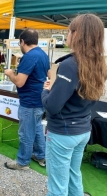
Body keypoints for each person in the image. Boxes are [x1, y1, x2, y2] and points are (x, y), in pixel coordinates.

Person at [42, 14, 107, 196]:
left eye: (69, 31)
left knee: (57, 188)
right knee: (73, 175)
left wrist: (46, 91)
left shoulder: (71, 64)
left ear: (77, 34)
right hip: (83, 130)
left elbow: (52, 106)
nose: (67, 35)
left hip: (63, 133)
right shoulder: (99, 63)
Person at [4, 28, 49, 170]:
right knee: (36, 129)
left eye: (20, 43)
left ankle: (23, 162)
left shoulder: (29, 57)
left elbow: (19, 82)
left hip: (30, 101)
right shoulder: (43, 54)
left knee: (25, 133)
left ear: (22, 42)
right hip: (39, 99)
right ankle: (41, 155)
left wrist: (10, 73)